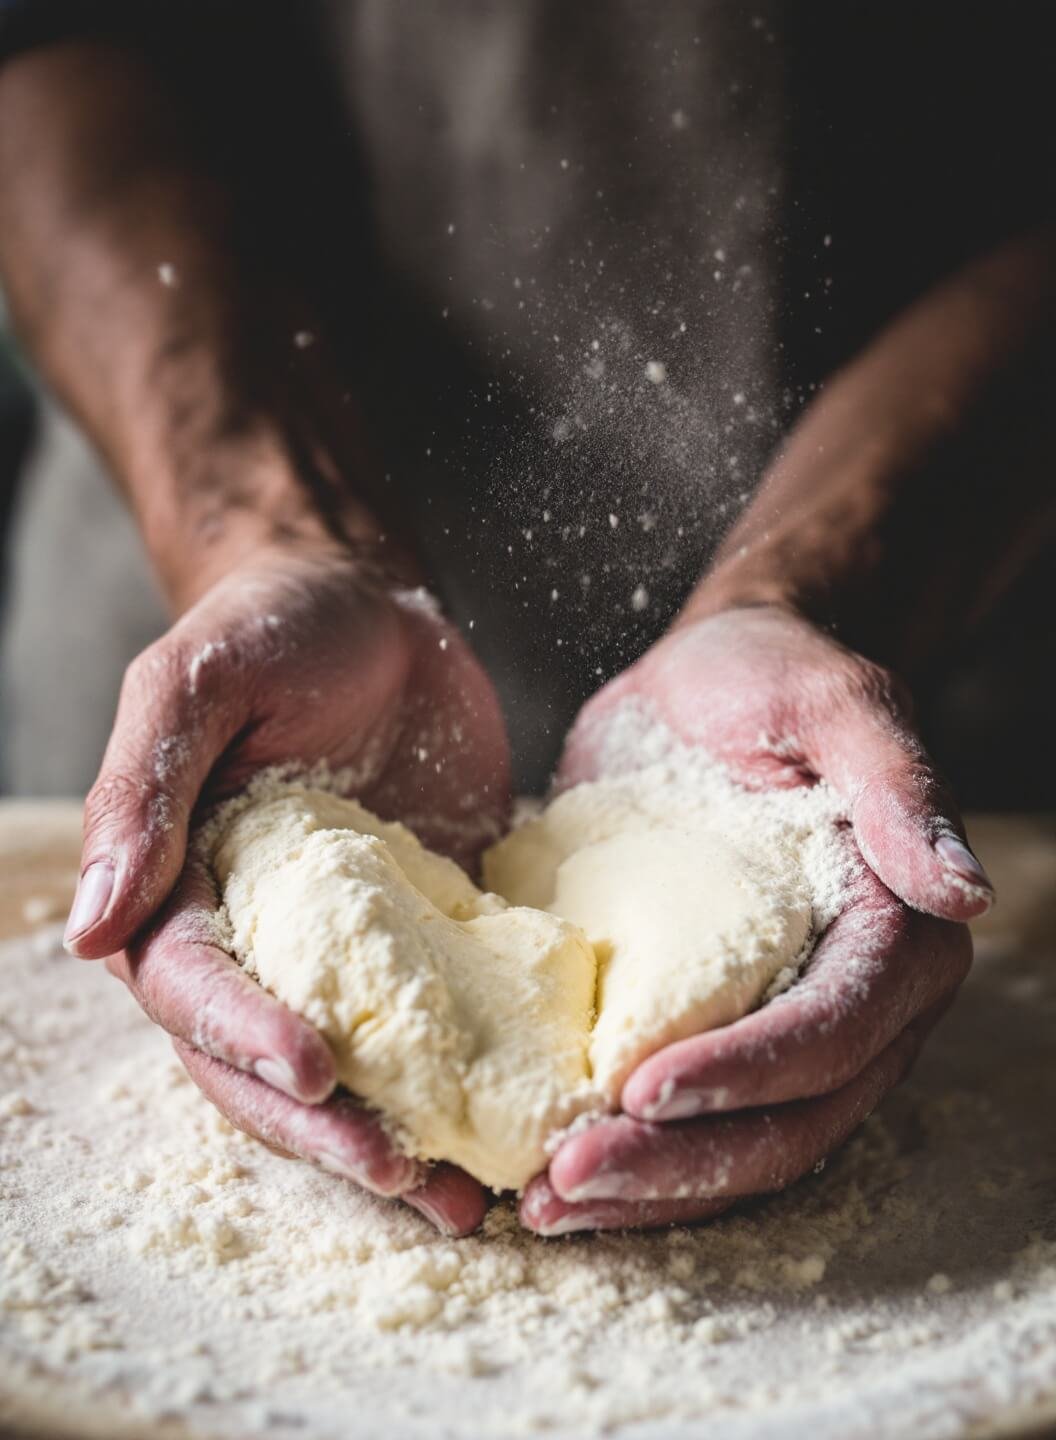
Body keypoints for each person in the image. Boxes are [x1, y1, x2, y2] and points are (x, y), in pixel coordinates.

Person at [0, 2, 1052, 1238]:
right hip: (205, 502)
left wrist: (809, 589)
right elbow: (46, 47)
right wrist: (262, 531)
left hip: (952, 589)